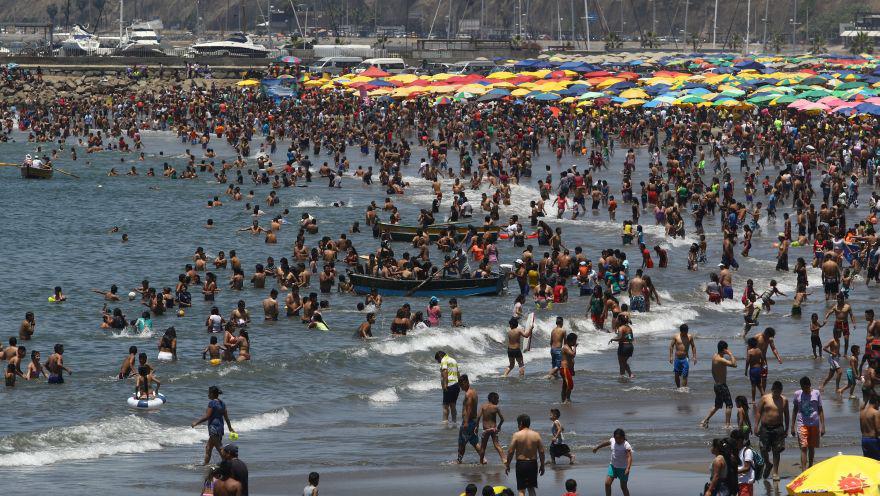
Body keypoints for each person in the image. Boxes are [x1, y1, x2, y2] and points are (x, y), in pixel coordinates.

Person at [192, 385, 236, 465]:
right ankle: (205, 465)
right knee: (208, 448)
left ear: (212, 393)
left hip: (213, 428)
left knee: (220, 448)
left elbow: (207, 416)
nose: (208, 395)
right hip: (220, 428)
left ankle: (228, 464)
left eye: (209, 393)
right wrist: (230, 428)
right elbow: (226, 418)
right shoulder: (222, 403)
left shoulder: (212, 403)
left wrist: (196, 423)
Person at [754, 380, 788, 481]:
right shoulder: (765, 398)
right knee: (763, 449)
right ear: (772, 390)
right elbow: (758, 412)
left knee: (776, 451)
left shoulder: (784, 400)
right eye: (775, 391)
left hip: (778, 428)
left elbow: (786, 414)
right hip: (765, 427)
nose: (776, 394)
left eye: (779, 392)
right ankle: (768, 464)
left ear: (781, 391)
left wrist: (787, 428)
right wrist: (756, 426)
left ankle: (775, 473)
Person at [504, 414, 545, 496]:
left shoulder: (517, 435)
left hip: (521, 464)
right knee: (531, 488)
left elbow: (511, 451)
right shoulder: (536, 435)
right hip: (533, 464)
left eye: (518, 423)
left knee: (521, 490)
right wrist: (542, 465)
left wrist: (507, 464)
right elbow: (542, 451)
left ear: (521, 423)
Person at [700, 341, 737, 429]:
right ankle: (727, 425)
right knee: (729, 405)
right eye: (727, 349)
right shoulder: (720, 359)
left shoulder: (714, 356)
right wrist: (731, 354)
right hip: (721, 386)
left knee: (717, 405)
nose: (728, 350)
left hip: (717, 385)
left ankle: (704, 420)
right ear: (724, 349)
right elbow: (734, 364)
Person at [792, 376, 824, 470]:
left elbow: (820, 410)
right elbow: (794, 410)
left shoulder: (816, 393)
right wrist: (792, 426)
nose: (805, 390)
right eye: (803, 388)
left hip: (814, 424)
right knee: (803, 447)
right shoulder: (798, 394)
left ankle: (810, 467)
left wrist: (823, 426)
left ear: (809, 386)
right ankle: (803, 470)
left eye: (806, 388)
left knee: (811, 447)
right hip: (802, 424)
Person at [592, 428, 632, 496]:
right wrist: (597, 447)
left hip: (623, 468)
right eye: (616, 438)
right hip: (613, 466)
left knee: (623, 487)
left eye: (619, 438)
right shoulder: (613, 440)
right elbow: (606, 443)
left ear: (623, 437)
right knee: (607, 484)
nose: (618, 440)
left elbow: (629, 457)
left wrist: (628, 468)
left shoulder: (626, 445)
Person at [457, 375, 482, 463]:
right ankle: (483, 459)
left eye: (462, 384)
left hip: (469, 422)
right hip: (473, 421)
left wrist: (466, 422)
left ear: (467, 382)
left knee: (461, 443)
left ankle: (459, 460)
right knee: (474, 442)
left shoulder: (468, 394)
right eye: (460, 384)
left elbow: (469, 408)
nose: (461, 386)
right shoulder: (473, 391)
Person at [476, 391, 506, 464]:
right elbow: (502, 419)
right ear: (493, 399)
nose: (498, 401)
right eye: (497, 399)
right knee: (497, 445)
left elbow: (478, 417)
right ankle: (504, 459)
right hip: (493, 429)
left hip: (486, 430)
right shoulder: (495, 407)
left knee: (483, 447)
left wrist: (476, 427)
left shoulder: (483, 406)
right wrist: (499, 427)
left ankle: (481, 462)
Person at [668, 324, 697, 389]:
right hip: (677, 358)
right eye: (685, 331)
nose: (687, 332)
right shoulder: (676, 337)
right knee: (676, 375)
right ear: (681, 331)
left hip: (685, 358)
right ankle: (678, 388)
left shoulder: (690, 337)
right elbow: (671, 346)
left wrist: (694, 357)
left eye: (687, 331)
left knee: (685, 374)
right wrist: (671, 357)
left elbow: (693, 346)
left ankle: (683, 388)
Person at [435, 351, 460, 423]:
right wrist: (460, 384)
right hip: (456, 385)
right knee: (453, 405)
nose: (438, 362)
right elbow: (458, 373)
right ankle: (454, 422)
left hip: (449, 385)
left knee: (445, 406)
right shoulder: (453, 360)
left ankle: (445, 423)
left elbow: (445, 371)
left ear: (440, 357)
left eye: (438, 360)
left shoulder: (444, 360)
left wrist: (445, 384)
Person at [731, 429, 756, 496]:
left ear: (740, 440)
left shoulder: (747, 451)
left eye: (733, 440)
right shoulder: (735, 452)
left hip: (746, 483)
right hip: (737, 482)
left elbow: (747, 468)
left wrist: (734, 472)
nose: (732, 443)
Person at [860, 395, 880, 460]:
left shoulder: (862, 412)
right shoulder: (875, 413)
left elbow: (861, 428)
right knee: (877, 461)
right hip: (873, 440)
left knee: (868, 461)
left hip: (864, 440)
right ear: (877, 402)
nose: (879, 407)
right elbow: (878, 429)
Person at [560, 333, 577, 404]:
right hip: (564, 368)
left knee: (565, 385)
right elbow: (573, 355)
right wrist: (575, 347)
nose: (575, 342)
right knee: (570, 384)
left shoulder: (569, 347)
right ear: (571, 340)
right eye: (575, 341)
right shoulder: (566, 347)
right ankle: (567, 399)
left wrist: (572, 369)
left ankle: (564, 400)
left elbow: (570, 359)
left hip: (568, 369)